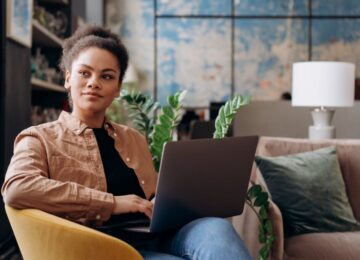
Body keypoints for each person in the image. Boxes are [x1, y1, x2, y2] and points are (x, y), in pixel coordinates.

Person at [1, 25, 251, 260]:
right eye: (84, 73)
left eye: (107, 76)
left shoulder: (132, 138)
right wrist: (113, 202)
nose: (93, 83)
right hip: (106, 246)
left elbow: (153, 195)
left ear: (118, 87)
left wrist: (166, 201)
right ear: (68, 78)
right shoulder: (38, 138)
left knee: (217, 228)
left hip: (157, 233)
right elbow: (17, 188)